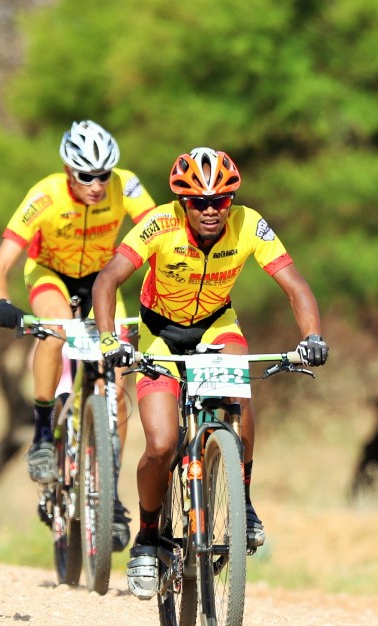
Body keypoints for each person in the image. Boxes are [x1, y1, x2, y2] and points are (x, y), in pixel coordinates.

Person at [91, 146, 328, 600]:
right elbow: (107, 280)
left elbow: (295, 285)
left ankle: (243, 502)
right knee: (160, 443)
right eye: (199, 201)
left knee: (240, 398)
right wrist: (108, 341)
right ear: (183, 201)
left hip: (218, 325)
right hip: (161, 332)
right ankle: (146, 536)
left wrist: (312, 337)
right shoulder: (159, 223)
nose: (210, 210)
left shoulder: (248, 224)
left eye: (220, 200)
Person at [0, 120, 154, 550]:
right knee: (56, 331)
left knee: (118, 383)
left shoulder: (126, 186)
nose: (97, 185)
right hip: (50, 275)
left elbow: (159, 235)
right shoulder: (45, 195)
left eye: (103, 175)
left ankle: (110, 495)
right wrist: (2, 303)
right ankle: (42, 434)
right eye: (85, 175)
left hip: (101, 280)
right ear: (67, 169)